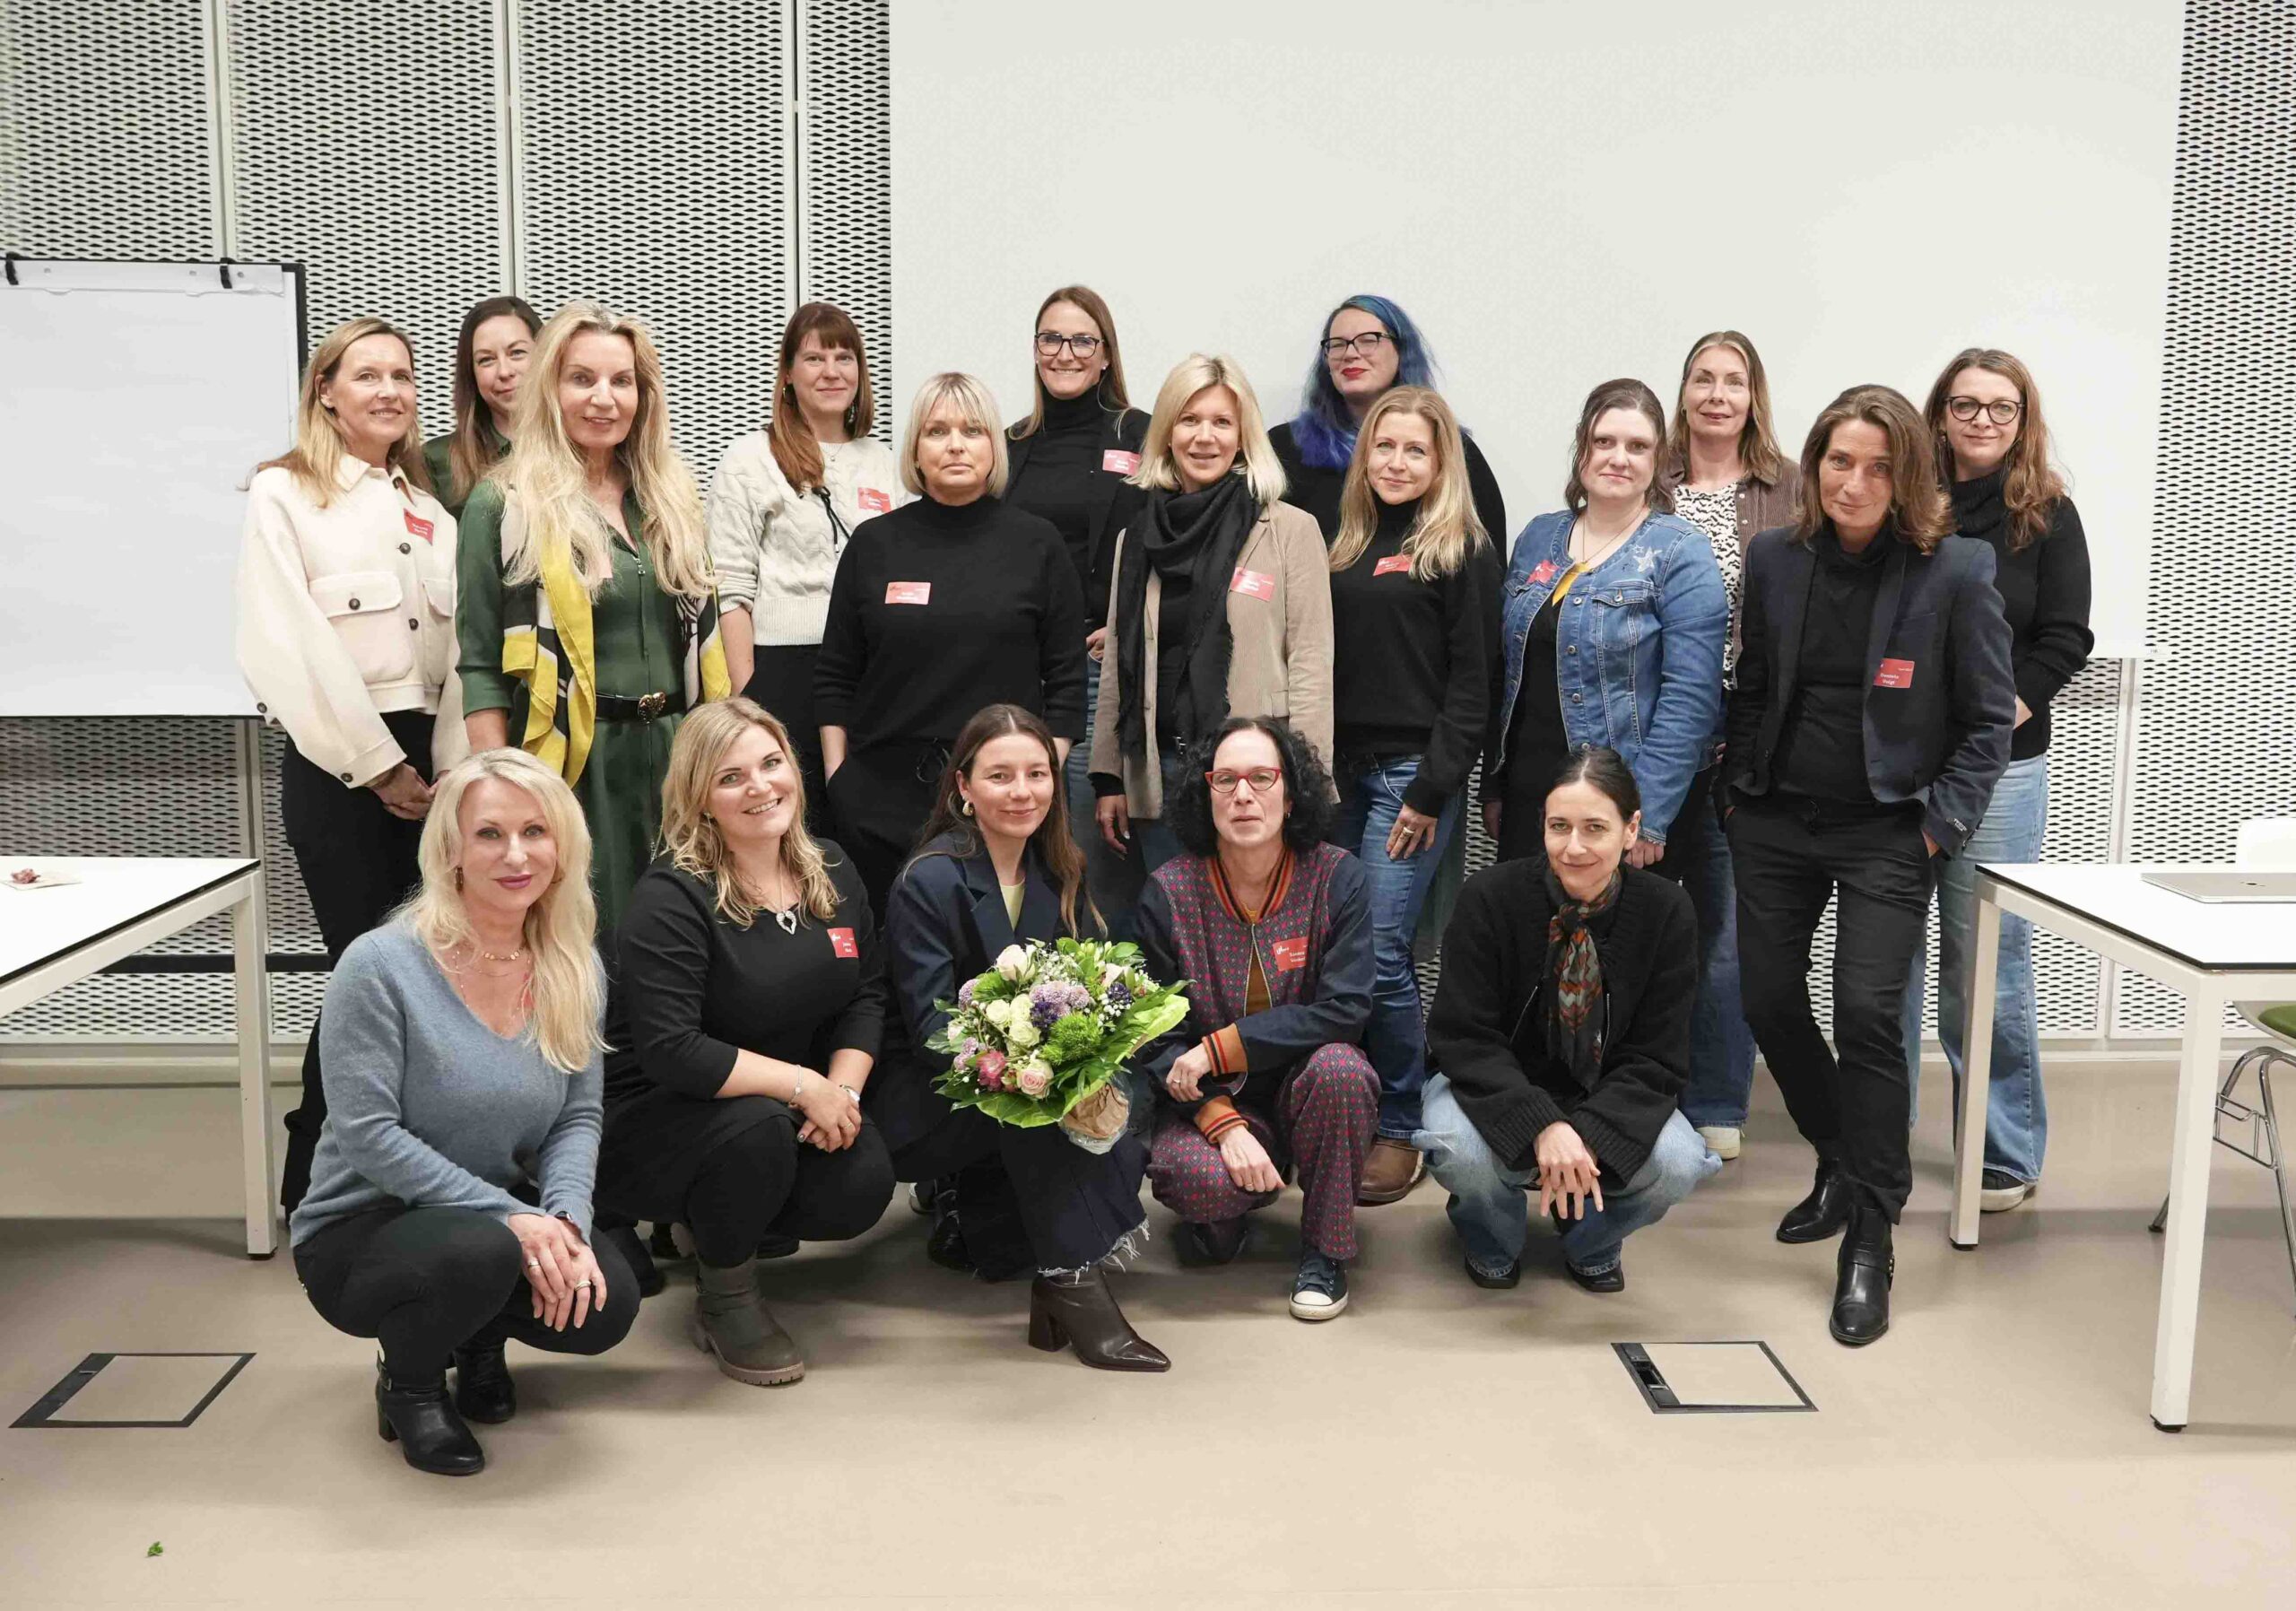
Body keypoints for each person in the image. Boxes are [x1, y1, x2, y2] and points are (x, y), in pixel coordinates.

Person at [1726, 383, 2014, 1346]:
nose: (1853, 483)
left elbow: (1987, 721)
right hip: (1775, 818)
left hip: (1889, 828)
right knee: (1766, 998)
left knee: (1866, 1015)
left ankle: (1870, 1236)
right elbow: (1753, 685)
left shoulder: (1956, 568)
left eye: (1878, 467)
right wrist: (1736, 794)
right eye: (1838, 461)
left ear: (1908, 476)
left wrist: (1937, 828)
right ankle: (1842, 1158)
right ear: (1815, 466)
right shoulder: (1775, 556)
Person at [290, 749, 633, 1477]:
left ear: (562, 846)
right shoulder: (379, 965)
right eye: (490, 834)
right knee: (484, 1250)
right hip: (363, 1228)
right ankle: (409, 1385)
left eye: (536, 832)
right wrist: (515, 1219)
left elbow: (577, 1117)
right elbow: (368, 1136)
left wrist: (565, 1222)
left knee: (608, 1302)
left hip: (487, 1220)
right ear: (450, 849)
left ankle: (478, 1338)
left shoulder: (573, 964)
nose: (517, 855)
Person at [236, 316, 466, 1214]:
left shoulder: (431, 514)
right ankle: (316, 1179)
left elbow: (460, 660)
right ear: (325, 392)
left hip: (432, 766)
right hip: (339, 763)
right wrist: (378, 766)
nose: (389, 391)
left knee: (429, 975)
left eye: (402, 376)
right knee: (366, 973)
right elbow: (286, 646)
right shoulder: (284, 494)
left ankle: (404, 1170)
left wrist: (446, 772)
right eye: (366, 375)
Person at [603, 700, 895, 1385]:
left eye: (771, 763)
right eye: (731, 777)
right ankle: (726, 1297)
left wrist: (842, 1093)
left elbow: (866, 994)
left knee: (859, 1184)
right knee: (756, 1132)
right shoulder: (673, 896)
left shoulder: (832, 867)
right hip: (655, 1114)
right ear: (699, 798)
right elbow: (673, 1049)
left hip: (776, 1100)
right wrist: (805, 1087)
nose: (761, 787)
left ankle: (717, 1217)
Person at [879, 705, 1167, 1372]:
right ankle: (1074, 1280)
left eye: (1037, 774)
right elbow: (931, 1032)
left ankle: (1039, 1265)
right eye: (1000, 775)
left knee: (1112, 1096)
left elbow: (1086, 987)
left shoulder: (1059, 868)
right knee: (1042, 1107)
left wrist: (1086, 1057)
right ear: (964, 787)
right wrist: (1034, 1069)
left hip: (1020, 1085)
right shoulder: (929, 880)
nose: (1022, 792)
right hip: (931, 1094)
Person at [456, 300, 732, 936]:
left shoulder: (672, 498)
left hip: (679, 755)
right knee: (582, 940)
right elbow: (479, 666)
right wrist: (503, 791)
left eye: (621, 381)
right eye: (582, 379)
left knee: (683, 934)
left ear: (643, 394)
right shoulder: (504, 504)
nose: (604, 399)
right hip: (572, 764)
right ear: (550, 389)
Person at [1901, 348, 2092, 1213]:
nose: (1983, 420)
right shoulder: (1909, 506)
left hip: (2004, 772)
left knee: (1988, 968)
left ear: (2023, 420)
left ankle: (2004, 1154)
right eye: (1966, 404)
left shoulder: (2047, 515)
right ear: (1940, 414)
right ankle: (1879, 1143)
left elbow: (2065, 637)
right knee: (1888, 965)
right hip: (1901, 768)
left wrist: (1996, 714)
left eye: (2001, 407)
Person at [1417, 747, 1719, 1291]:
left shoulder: (1667, 911)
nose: (1573, 847)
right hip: (1495, 1086)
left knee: (1680, 1161)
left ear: (1631, 830)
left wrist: (1590, 1133)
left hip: (1605, 1092)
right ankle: (1490, 1237)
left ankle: (1591, 1237)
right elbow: (1463, 1038)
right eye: (1559, 827)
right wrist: (1543, 1125)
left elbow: (1657, 1057)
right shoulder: (1489, 897)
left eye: (1595, 828)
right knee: (1459, 1149)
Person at [815, 373, 1087, 915]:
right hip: (879, 803)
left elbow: (1067, 684)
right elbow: (835, 677)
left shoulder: (1037, 544)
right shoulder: (873, 544)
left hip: (998, 803)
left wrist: (1034, 783)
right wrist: (839, 781)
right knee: (886, 953)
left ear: (994, 447)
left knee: (999, 958)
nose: (956, 445)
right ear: (916, 450)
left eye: (973, 430)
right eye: (937, 431)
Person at [1323, 387, 1500, 1205]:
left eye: (1415, 450)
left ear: (1441, 462)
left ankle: (1401, 1126)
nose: (1396, 462)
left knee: (1383, 952)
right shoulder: (1344, 543)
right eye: (1383, 447)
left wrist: (1431, 792)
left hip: (1410, 780)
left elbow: (1474, 687)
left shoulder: (1461, 548)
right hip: (1337, 776)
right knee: (1338, 949)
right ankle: (1346, 1106)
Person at [1137, 717, 1378, 1321]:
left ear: (1290, 795)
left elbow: (1346, 1010)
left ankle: (1326, 1250)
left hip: (1308, 1087)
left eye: (1262, 778)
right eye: (1225, 780)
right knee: (1198, 1187)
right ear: (1206, 796)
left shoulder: (1337, 876)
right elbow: (1155, 1038)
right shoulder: (1168, 891)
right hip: (1209, 1100)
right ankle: (1228, 1212)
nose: (1243, 794)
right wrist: (1222, 1123)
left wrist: (1220, 1047)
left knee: (1343, 1070)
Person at [1091, 353, 1333, 893]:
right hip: (1160, 776)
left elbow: (1312, 666)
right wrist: (1109, 777)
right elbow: (1117, 670)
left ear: (1243, 436)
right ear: (1167, 432)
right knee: (1175, 928)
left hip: (1257, 781)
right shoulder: (1136, 538)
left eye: (1222, 422)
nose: (1205, 437)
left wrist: (1307, 786)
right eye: (1189, 420)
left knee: (1254, 928)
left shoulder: (1290, 530)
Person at [1483, 379, 1726, 871]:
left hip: (1619, 801)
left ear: (1657, 460)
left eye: (1638, 446)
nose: (1619, 458)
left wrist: (1648, 815)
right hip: (1529, 791)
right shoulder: (1538, 537)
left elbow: (1691, 699)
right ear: (1583, 450)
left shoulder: (1681, 552)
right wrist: (1495, 784)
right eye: (1604, 441)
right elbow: (1506, 673)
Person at [1661, 330, 1801, 1163]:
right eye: (1703, 379)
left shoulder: (1790, 488)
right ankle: (1644, 1088)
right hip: (1657, 725)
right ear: (1682, 391)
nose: (1717, 395)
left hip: (1749, 729)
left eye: (1734, 381)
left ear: (1754, 396)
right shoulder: (1649, 480)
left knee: (1728, 923)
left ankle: (1716, 1098)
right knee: (1647, 916)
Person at [706, 302, 900, 831]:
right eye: (815, 358)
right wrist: (749, 700)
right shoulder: (749, 459)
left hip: (872, 672)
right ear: (788, 374)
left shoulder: (886, 462)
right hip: (784, 670)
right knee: (791, 827)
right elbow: (730, 589)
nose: (831, 371)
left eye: (844, 357)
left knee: (863, 824)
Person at [1002, 286, 1151, 924]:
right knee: (1021, 842)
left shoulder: (1142, 435)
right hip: (1019, 674)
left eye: (1082, 340)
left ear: (1106, 353)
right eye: (1051, 339)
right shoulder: (1008, 444)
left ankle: (1112, 981)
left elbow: (1168, 545)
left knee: (1095, 846)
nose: (1065, 353)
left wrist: (1123, 623)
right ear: (1035, 350)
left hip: (1097, 674)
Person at [1266, 294, 1506, 543]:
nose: (1350, 353)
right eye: (1337, 344)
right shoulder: (1286, 446)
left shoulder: (1450, 446)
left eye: (1368, 340)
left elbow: (1488, 550)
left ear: (1402, 351)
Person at [422, 295, 542, 516]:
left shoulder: (580, 448)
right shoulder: (435, 460)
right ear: (472, 374)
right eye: (486, 359)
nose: (504, 371)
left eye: (517, 353)